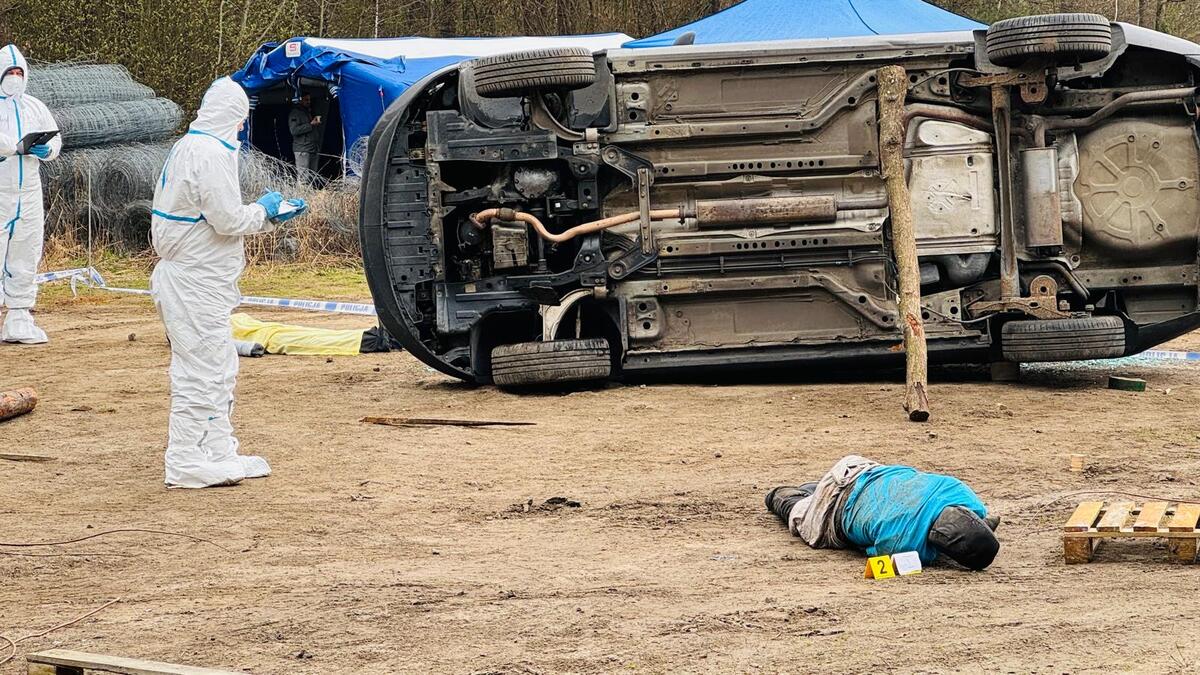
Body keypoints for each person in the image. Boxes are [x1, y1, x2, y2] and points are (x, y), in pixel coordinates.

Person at [151, 76, 306, 488]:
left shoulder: (193, 146)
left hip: (202, 279)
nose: (241, 127)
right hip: (194, 280)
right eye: (240, 119)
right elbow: (226, 219)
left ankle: (217, 449)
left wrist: (264, 215)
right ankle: (185, 459)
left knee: (219, 366)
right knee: (200, 371)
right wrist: (265, 211)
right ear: (232, 116)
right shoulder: (210, 153)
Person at [765, 455, 1000, 570]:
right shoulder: (906, 547)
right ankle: (778, 495)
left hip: (860, 468)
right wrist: (923, 560)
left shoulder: (962, 493)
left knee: (825, 491)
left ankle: (813, 489)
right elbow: (872, 563)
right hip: (829, 513)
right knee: (793, 509)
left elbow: (983, 517)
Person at [0, 45, 61, 344]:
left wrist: (46, 149)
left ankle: (19, 317)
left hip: (29, 192)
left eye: (18, 72)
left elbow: (55, 138)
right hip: (1, 191)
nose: (14, 77)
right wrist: (9, 148)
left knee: (26, 251)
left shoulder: (34, 106)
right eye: (9, 72)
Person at [288, 92, 320, 180]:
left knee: (312, 177)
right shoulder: (295, 113)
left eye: (309, 100)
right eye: (306, 100)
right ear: (300, 100)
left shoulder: (308, 111)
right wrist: (310, 124)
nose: (309, 102)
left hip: (312, 148)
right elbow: (294, 130)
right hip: (302, 149)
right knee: (303, 178)